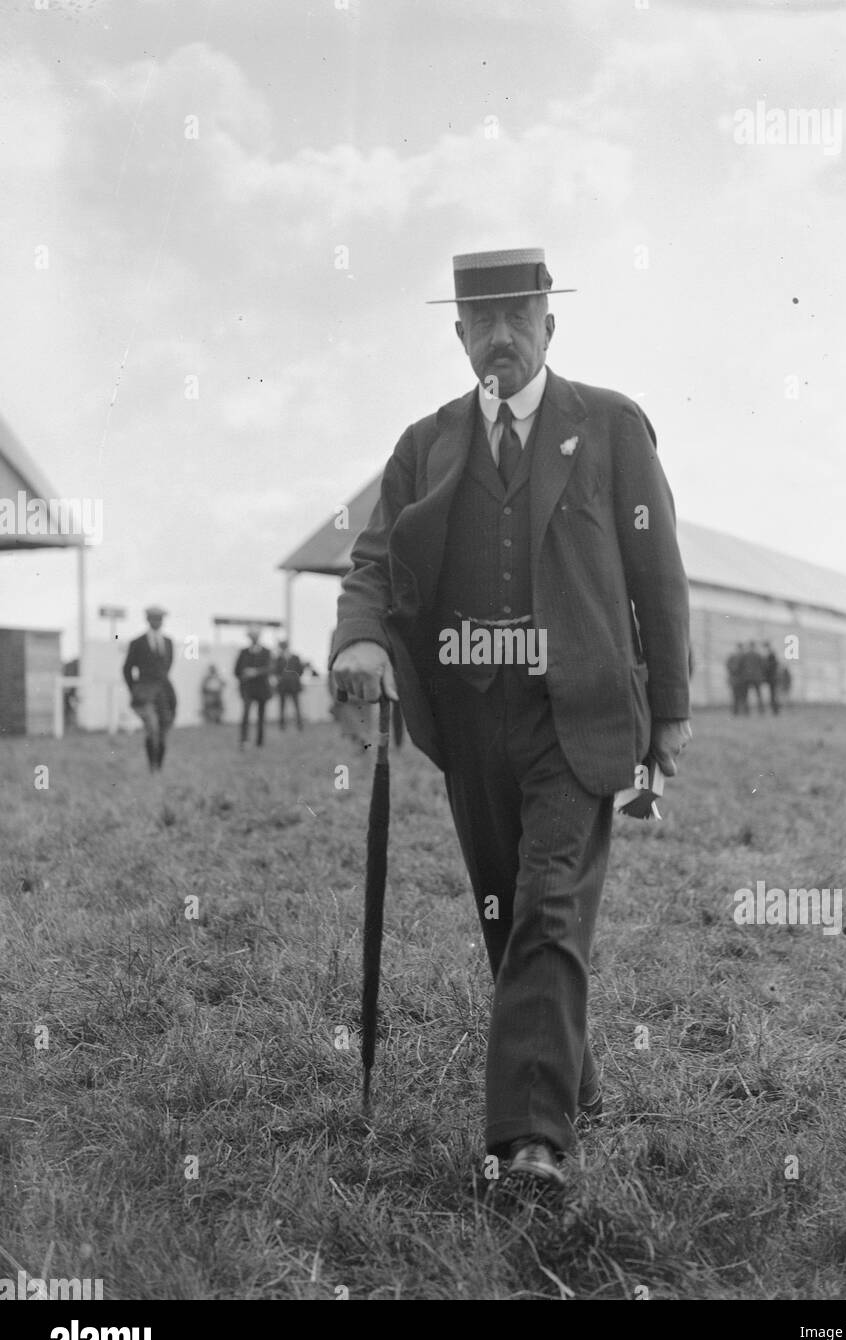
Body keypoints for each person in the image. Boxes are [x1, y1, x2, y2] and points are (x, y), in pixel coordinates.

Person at [330, 247, 691, 1194]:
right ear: (457, 334)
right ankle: (567, 1075)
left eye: (518, 316)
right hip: (468, 716)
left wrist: (674, 714)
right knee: (508, 911)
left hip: (575, 712)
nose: (501, 335)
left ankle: (530, 1142)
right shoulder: (427, 443)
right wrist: (358, 643)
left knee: (548, 906)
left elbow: (660, 578)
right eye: (480, 320)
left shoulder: (608, 426)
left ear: (549, 324)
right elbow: (372, 562)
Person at [122, 604, 177, 771]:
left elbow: (167, 667)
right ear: (147, 620)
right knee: (152, 728)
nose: (157, 622)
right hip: (144, 693)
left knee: (163, 729)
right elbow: (127, 669)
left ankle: (158, 767)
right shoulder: (137, 642)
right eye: (154, 618)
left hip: (165, 693)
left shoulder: (168, 642)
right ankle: (152, 766)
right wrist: (135, 689)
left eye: (160, 619)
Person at [234, 627, 272, 747]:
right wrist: (244, 673)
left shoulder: (267, 652)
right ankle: (244, 740)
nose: (254, 638)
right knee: (245, 715)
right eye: (252, 636)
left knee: (261, 716)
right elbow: (236, 670)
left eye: (256, 636)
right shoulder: (243, 652)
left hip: (262, 689)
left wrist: (255, 672)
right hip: (248, 689)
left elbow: (270, 668)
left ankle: (259, 742)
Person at [273, 639, 307, 730]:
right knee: (282, 707)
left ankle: (299, 724)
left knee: (296, 706)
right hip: (283, 686)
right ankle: (282, 725)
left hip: (293, 685)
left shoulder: (295, 657)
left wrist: (293, 677)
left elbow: (300, 670)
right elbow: (275, 671)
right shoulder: (278, 659)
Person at [739, 641, 764, 714]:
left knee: (746, 695)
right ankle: (761, 710)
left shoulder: (745, 655)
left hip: (747, 677)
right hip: (756, 677)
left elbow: (740, 666)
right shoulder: (758, 655)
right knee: (759, 695)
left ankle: (746, 711)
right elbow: (763, 666)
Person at [762, 641, 780, 715]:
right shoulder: (771, 655)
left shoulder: (771, 655)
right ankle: (775, 709)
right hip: (772, 678)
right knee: (773, 694)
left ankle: (775, 710)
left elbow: (770, 667)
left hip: (772, 678)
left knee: (773, 694)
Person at [726, 644, 743, 715]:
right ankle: (736, 711)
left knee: (739, 696)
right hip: (736, 680)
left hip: (738, 680)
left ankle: (738, 711)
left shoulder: (740, 657)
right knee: (735, 696)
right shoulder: (735, 657)